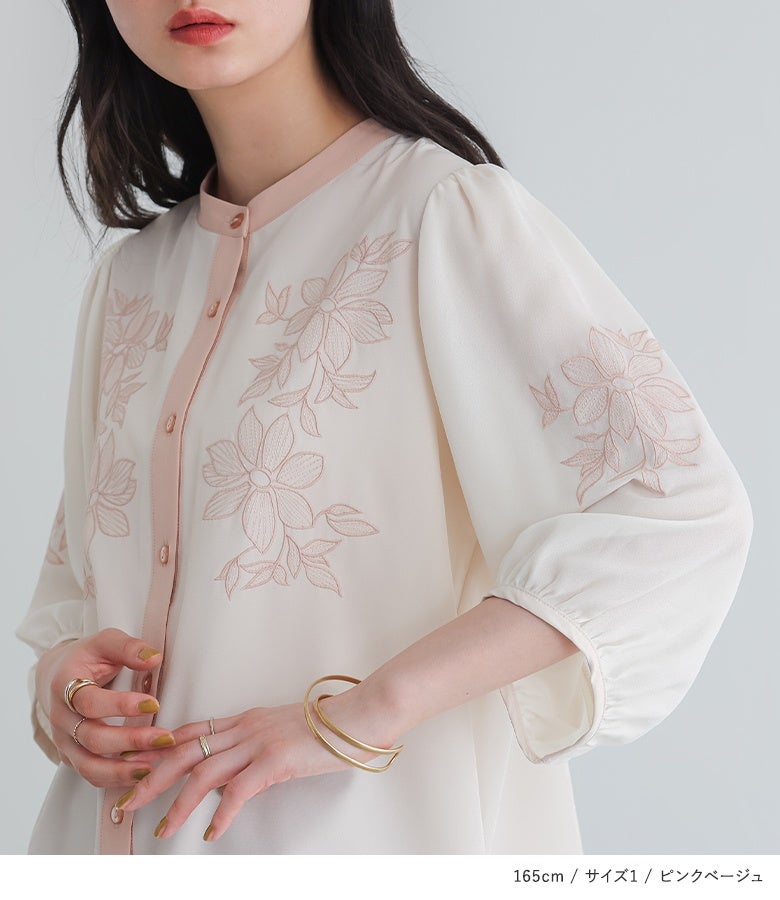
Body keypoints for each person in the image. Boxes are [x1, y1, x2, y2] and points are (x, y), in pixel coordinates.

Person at [16, 0, 753, 855]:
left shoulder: (442, 215)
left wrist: (367, 710)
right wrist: (61, 685)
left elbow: (674, 511)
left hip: (360, 841)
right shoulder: (130, 281)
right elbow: (75, 587)